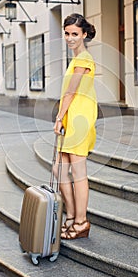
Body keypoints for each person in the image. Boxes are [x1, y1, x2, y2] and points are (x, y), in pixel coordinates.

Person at [53, 13, 97, 240]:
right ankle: (71, 215)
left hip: (79, 120)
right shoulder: (77, 58)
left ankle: (81, 222)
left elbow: (71, 92)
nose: (70, 38)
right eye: (67, 33)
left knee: (79, 173)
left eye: (74, 34)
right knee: (58, 168)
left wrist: (59, 117)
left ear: (84, 34)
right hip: (73, 119)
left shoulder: (83, 59)